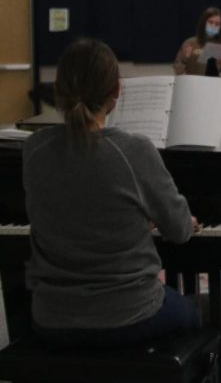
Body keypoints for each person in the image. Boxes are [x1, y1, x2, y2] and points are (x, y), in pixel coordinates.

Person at [24, 38, 199, 347]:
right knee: (201, 313)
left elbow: (75, 209)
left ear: (58, 90)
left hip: (50, 315)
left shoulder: (34, 149)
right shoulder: (135, 150)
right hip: (129, 313)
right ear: (117, 91)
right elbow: (181, 231)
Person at [173, 7, 221, 76]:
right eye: (210, 22)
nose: (213, 26)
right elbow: (178, 69)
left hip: (218, 84)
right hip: (194, 84)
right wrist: (185, 58)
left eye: (217, 24)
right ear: (204, 22)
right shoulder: (190, 43)